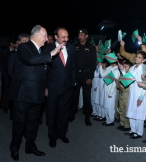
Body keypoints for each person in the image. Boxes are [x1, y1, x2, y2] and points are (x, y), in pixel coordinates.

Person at [9, 25, 64, 161]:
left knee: (33, 123)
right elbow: (30, 60)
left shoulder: (42, 50)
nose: (46, 39)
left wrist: (46, 87)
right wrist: (51, 54)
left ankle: (30, 146)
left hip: (37, 94)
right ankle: (14, 147)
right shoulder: (24, 47)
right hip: (23, 94)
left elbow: (43, 72)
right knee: (20, 123)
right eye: (45, 36)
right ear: (36, 35)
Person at [43, 27, 76, 148]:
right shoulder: (47, 49)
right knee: (52, 113)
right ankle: (52, 137)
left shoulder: (71, 48)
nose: (66, 39)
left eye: (67, 37)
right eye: (63, 37)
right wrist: (45, 87)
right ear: (56, 37)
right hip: (52, 88)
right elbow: (44, 70)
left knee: (64, 112)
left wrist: (73, 82)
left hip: (67, 87)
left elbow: (72, 65)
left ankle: (62, 134)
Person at [120, 51, 146, 139]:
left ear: (144, 60)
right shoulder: (132, 68)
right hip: (132, 93)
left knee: (139, 114)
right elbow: (127, 78)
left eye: (139, 57)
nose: (137, 58)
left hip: (139, 93)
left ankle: (139, 132)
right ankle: (133, 130)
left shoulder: (145, 68)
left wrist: (141, 97)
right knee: (131, 112)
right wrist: (122, 70)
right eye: (137, 57)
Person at [71, 28, 97, 126]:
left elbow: (92, 64)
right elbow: (72, 61)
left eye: (82, 35)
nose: (80, 37)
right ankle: (72, 113)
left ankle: (87, 116)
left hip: (86, 75)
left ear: (86, 36)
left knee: (87, 97)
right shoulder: (74, 46)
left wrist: (90, 77)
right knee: (74, 96)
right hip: (76, 75)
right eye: (79, 35)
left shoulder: (91, 47)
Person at [99, 60, 120, 126]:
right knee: (106, 106)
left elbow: (114, 83)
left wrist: (111, 93)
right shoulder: (110, 68)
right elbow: (103, 75)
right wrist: (100, 67)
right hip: (106, 89)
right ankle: (107, 119)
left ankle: (110, 121)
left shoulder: (116, 71)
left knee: (110, 107)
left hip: (111, 91)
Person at [116, 61, 133, 131]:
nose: (124, 68)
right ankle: (122, 123)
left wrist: (122, 87)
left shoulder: (130, 75)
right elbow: (118, 83)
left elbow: (128, 86)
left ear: (129, 68)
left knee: (126, 110)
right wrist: (119, 86)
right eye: (124, 66)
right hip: (121, 93)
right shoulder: (122, 75)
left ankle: (127, 125)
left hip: (126, 94)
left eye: (126, 67)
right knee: (121, 109)